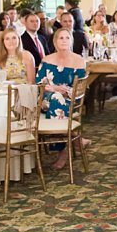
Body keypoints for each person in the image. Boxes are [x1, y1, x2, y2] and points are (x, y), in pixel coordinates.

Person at [35, 26, 88, 171]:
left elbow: (80, 88)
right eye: (61, 38)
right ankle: (74, 138)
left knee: (57, 98)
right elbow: (39, 83)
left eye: (67, 38)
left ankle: (62, 150)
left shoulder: (79, 61)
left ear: (71, 41)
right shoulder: (47, 59)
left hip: (70, 99)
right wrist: (54, 89)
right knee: (55, 97)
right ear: (55, 41)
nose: (64, 41)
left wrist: (66, 92)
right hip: (46, 98)